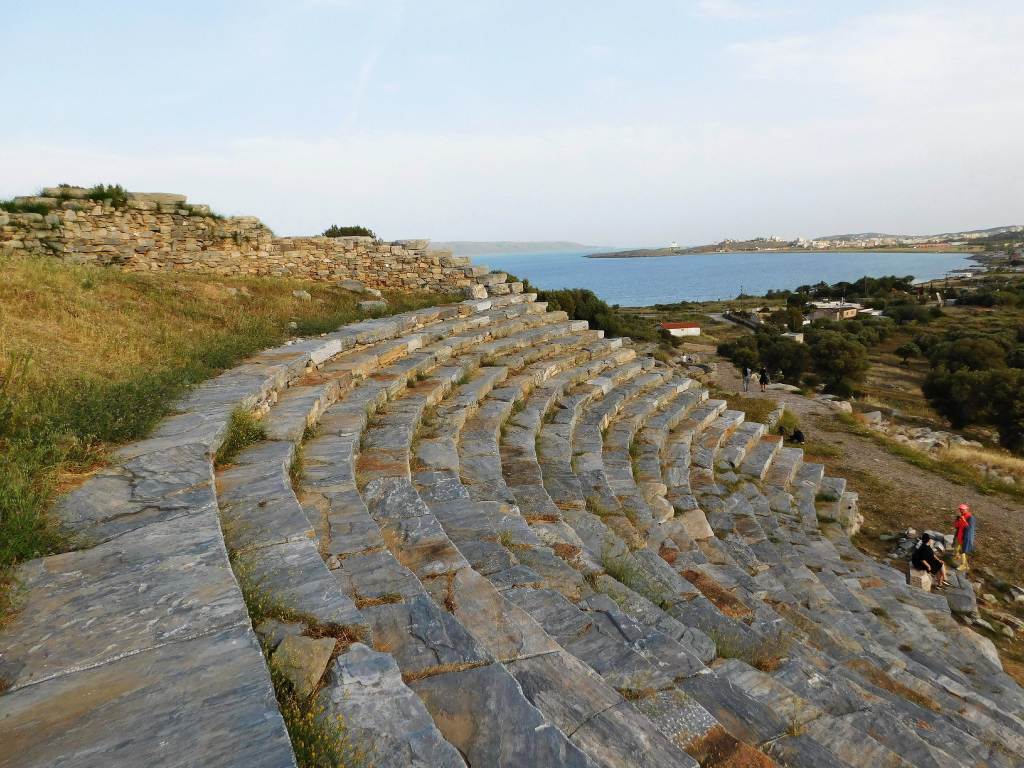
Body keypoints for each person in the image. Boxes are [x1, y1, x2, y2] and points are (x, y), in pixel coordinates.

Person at [953, 504, 976, 572]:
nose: (961, 510)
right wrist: (957, 520)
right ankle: (958, 557)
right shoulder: (960, 516)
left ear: (966, 509)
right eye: (960, 509)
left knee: (963, 551)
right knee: (956, 548)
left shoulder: (970, 517)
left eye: (963, 509)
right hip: (959, 535)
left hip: (965, 537)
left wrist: (964, 520)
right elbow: (956, 526)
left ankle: (964, 565)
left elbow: (970, 528)